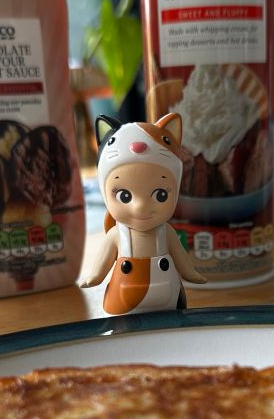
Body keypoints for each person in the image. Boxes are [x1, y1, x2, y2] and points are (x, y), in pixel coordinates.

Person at [81, 113, 206, 314]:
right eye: (124, 196)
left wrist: (191, 274)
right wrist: (94, 277)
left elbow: (181, 259)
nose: (140, 207)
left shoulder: (167, 233)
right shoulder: (116, 235)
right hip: (123, 300)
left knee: (173, 329)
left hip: (168, 297)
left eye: (161, 195)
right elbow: (101, 267)